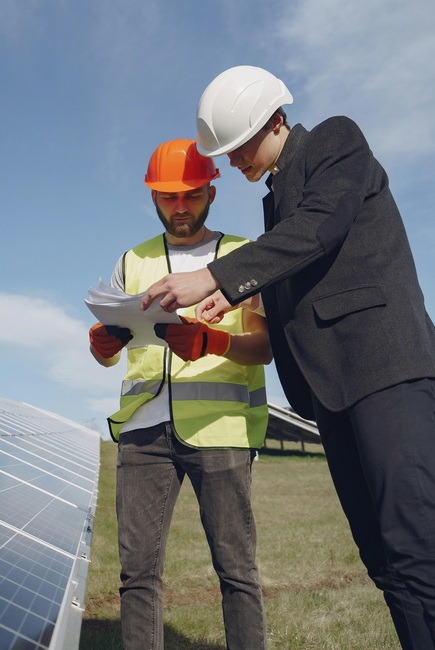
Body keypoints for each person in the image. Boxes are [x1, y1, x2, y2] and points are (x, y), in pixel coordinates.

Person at [141, 67, 435, 649]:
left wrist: (214, 274)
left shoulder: (337, 140)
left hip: (382, 366)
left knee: (420, 540)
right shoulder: (276, 201)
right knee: (385, 561)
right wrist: (231, 301)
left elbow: (318, 230)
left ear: (276, 121)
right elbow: (298, 271)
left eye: (238, 147)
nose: (232, 163)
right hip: (331, 387)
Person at [88, 138, 271, 650]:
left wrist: (215, 340)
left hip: (222, 430)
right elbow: (112, 356)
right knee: (137, 575)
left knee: (237, 571)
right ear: (153, 197)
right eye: (168, 197)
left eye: (191, 194)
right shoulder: (133, 259)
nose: (181, 206)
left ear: (211, 191)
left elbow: (265, 348)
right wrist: (102, 346)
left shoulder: (243, 256)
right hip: (143, 431)